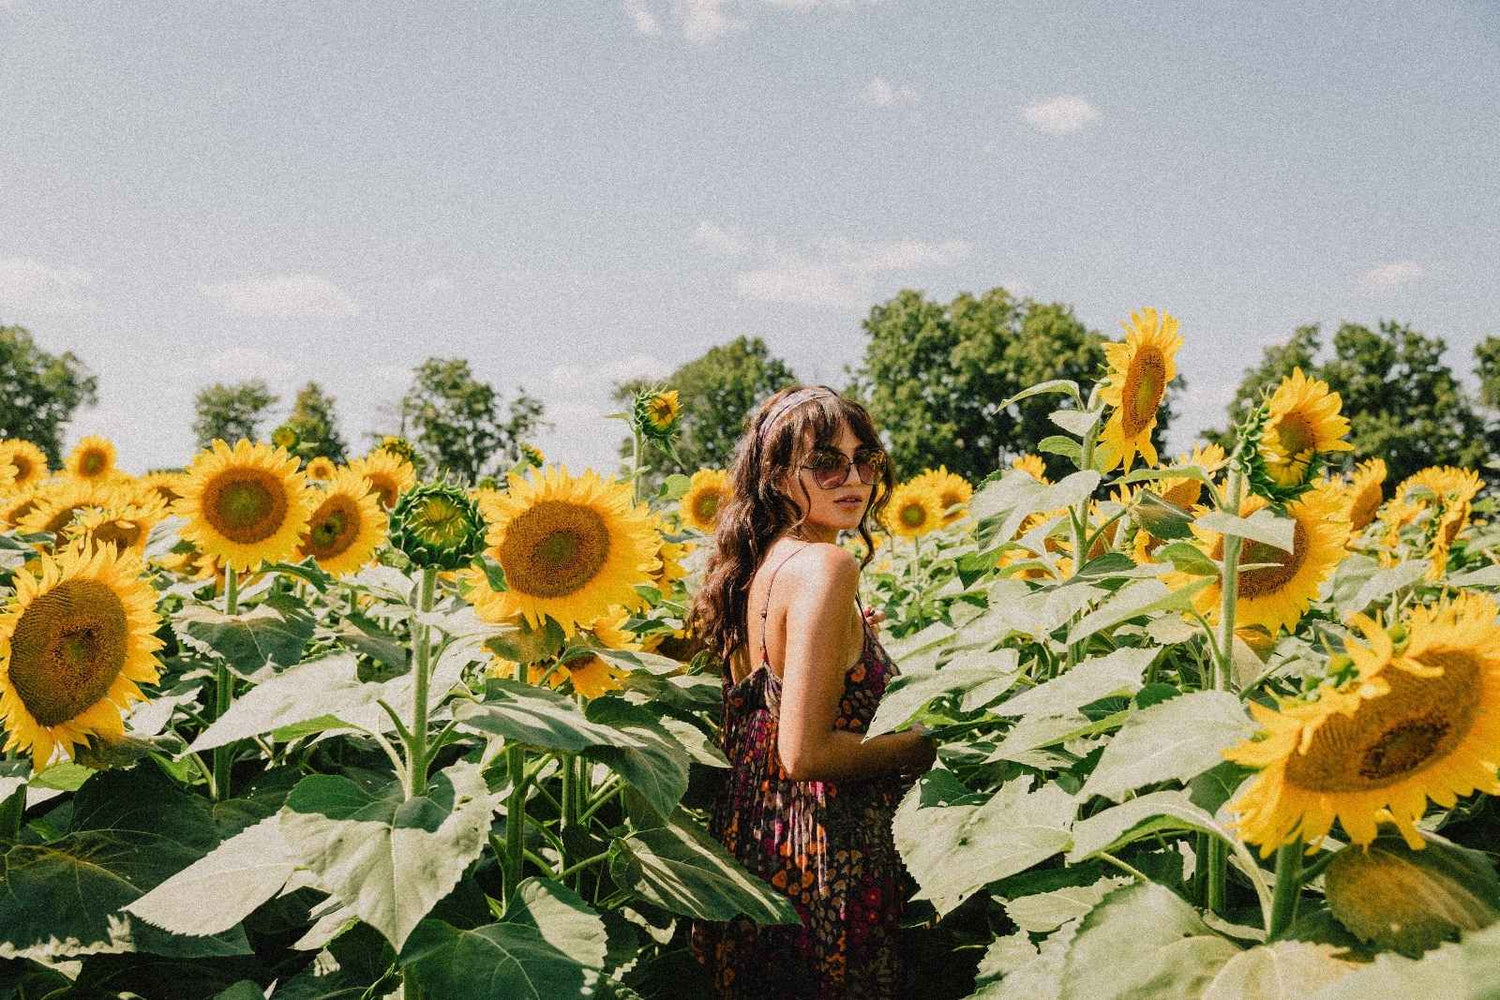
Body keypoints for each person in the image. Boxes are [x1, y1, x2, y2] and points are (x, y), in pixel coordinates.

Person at [686, 384, 938, 998]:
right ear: (774, 474)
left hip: (755, 843)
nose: (851, 476)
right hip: (827, 855)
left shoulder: (759, 566)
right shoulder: (827, 566)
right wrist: (921, 745)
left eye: (866, 458)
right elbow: (803, 754)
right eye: (824, 461)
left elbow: (769, 702)